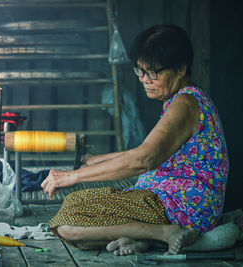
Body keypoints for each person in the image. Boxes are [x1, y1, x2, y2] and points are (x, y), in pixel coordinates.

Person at [41, 24, 229, 256]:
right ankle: (144, 238)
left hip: (182, 207)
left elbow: (144, 159)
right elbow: (152, 151)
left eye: (152, 72)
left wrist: (71, 176)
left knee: (67, 224)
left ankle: (165, 233)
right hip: (167, 198)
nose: (144, 80)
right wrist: (98, 160)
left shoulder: (185, 103)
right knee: (75, 204)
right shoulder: (182, 99)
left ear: (180, 69)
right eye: (139, 71)